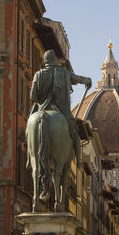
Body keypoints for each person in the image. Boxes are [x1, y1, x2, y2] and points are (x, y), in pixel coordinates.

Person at [29, 49, 91, 185]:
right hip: (60, 111)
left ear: (45, 61)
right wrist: (88, 80)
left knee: (30, 128)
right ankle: (79, 161)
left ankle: (29, 158)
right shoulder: (64, 73)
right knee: (74, 133)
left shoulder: (38, 75)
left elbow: (32, 96)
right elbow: (78, 79)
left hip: (41, 109)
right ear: (54, 60)